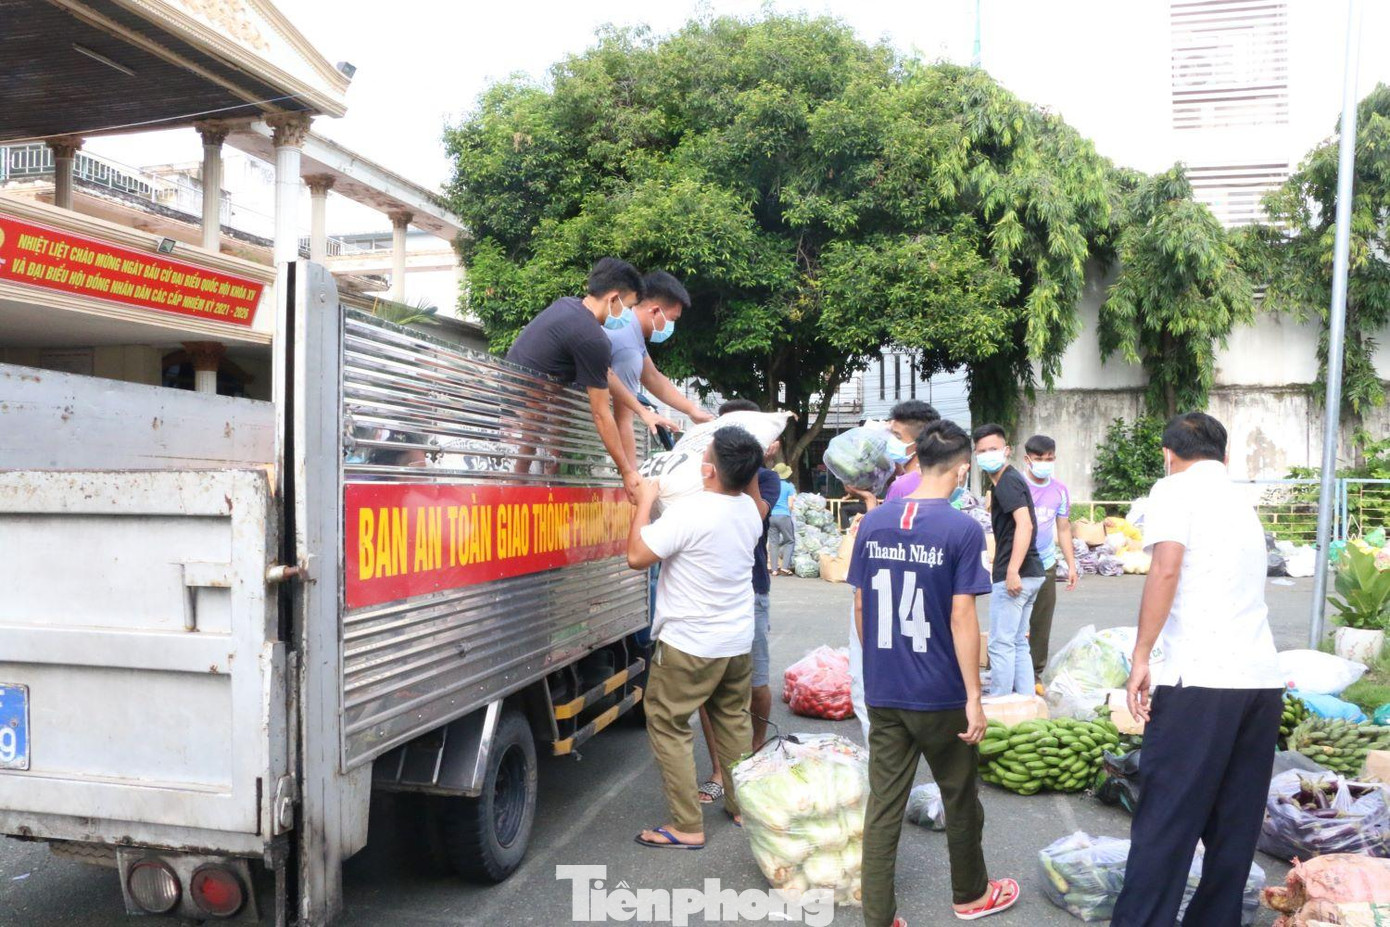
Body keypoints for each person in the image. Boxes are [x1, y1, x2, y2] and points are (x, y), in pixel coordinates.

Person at [1111, 413, 1284, 926]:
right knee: (1235, 823)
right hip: (1260, 682)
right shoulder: (1239, 500)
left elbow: (1166, 566)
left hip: (1202, 682)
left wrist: (1141, 657)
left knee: (1166, 816)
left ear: (1169, 453)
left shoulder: (1174, 489)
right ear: (1224, 456)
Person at [852, 420, 1020, 926]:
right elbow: (962, 616)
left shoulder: (874, 522)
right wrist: (974, 694)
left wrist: (882, 665)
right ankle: (970, 896)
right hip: (940, 692)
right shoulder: (962, 530)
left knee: (883, 807)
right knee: (961, 797)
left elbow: (862, 604)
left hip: (885, 689)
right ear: (963, 468)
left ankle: (878, 918)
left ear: (918, 462)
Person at [626, 425, 766, 849]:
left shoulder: (690, 512)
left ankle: (686, 825)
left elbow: (636, 557)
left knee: (668, 723)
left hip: (690, 642)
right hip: (736, 640)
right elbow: (755, 497)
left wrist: (646, 501)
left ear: (708, 470)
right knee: (733, 720)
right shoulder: (750, 511)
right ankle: (742, 808)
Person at [695, 398, 779, 805]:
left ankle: (755, 751)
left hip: (753, 591)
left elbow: (758, 513)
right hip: (708, 595)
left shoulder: (766, 478)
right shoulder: (701, 478)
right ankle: (718, 768)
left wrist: (751, 464)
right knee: (712, 694)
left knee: (757, 683)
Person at [505, 257, 645, 501]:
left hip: (514, 402)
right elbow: (601, 414)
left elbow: (605, 374)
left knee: (533, 462)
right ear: (613, 299)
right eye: (629, 307)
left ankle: (520, 494)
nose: (629, 316)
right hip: (528, 411)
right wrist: (626, 471)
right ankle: (515, 499)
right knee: (528, 468)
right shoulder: (592, 338)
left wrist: (642, 411)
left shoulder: (567, 306)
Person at [605, 270, 714, 471]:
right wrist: (632, 479)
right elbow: (623, 421)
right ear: (654, 311)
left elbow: (653, 377)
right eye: (672, 319)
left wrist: (692, 410)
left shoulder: (630, 328)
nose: (671, 327)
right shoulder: (626, 345)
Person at [971, 423, 1046, 697]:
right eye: (982, 451)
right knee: (1017, 643)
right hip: (1032, 572)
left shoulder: (1007, 483)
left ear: (1006, 451)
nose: (988, 454)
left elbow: (1024, 525)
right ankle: (1026, 704)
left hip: (1017, 574)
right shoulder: (1010, 480)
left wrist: (1012, 570)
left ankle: (1001, 706)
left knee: (1000, 644)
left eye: (993, 449)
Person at [1022, 434, 1079, 681]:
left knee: (1041, 623)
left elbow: (1064, 528)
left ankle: (1034, 673)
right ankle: (1007, 670)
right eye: (1039, 459)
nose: (1045, 463)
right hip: (1019, 565)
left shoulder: (1060, 490)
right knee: (1013, 622)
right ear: (1027, 459)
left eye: (1050, 458)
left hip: (1046, 564)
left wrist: (1071, 564)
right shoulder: (1017, 486)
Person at [844, 400, 941, 512]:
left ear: (920, 443)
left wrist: (869, 498)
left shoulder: (903, 486)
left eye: (897, 435)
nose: (888, 440)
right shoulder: (931, 478)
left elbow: (881, 528)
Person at [768, 463, 797, 576]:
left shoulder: (771, 485)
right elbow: (790, 505)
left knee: (773, 543)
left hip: (771, 516)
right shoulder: (789, 486)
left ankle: (774, 569)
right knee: (789, 541)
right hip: (784, 515)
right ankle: (785, 567)